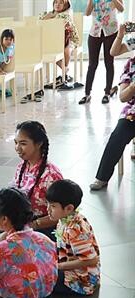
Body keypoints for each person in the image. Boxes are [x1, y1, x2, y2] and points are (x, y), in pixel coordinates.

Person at [0, 121, 64, 250]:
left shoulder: (51, 175)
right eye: (16, 143)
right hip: (17, 223)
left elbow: (60, 216)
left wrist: (31, 225)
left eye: (23, 143)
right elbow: (8, 196)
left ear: (38, 144)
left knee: (3, 239)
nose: (17, 148)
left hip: (39, 228)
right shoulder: (22, 167)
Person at [46, 180, 101, 296]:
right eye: (48, 204)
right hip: (67, 265)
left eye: (53, 206)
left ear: (69, 208)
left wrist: (58, 266)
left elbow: (92, 259)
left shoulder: (75, 230)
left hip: (82, 281)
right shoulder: (65, 218)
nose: (48, 209)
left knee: (38, 278)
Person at [89, 52, 135, 190]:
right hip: (132, 112)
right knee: (117, 136)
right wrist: (133, 86)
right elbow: (122, 97)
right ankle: (102, 177)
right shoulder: (131, 63)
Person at [80, 0, 124, 105]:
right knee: (92, 65)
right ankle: (87, 94)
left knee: (109, 63)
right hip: (95, 31)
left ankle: (107, 93)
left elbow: (121, 9)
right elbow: (87, 13)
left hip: (111, 31)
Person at [40, 0, 79, 87]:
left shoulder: (66, 14)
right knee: (51, 49)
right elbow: (40, 20)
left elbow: (59, 22)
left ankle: (64, 74)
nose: (57, 4)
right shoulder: (50, 13)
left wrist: (51, 17)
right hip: (54, 39)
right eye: (56, 2)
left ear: (65, 5)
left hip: (70, 39)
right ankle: (65, 70)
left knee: (66, 49)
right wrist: (49, 16)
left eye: (61, 3)